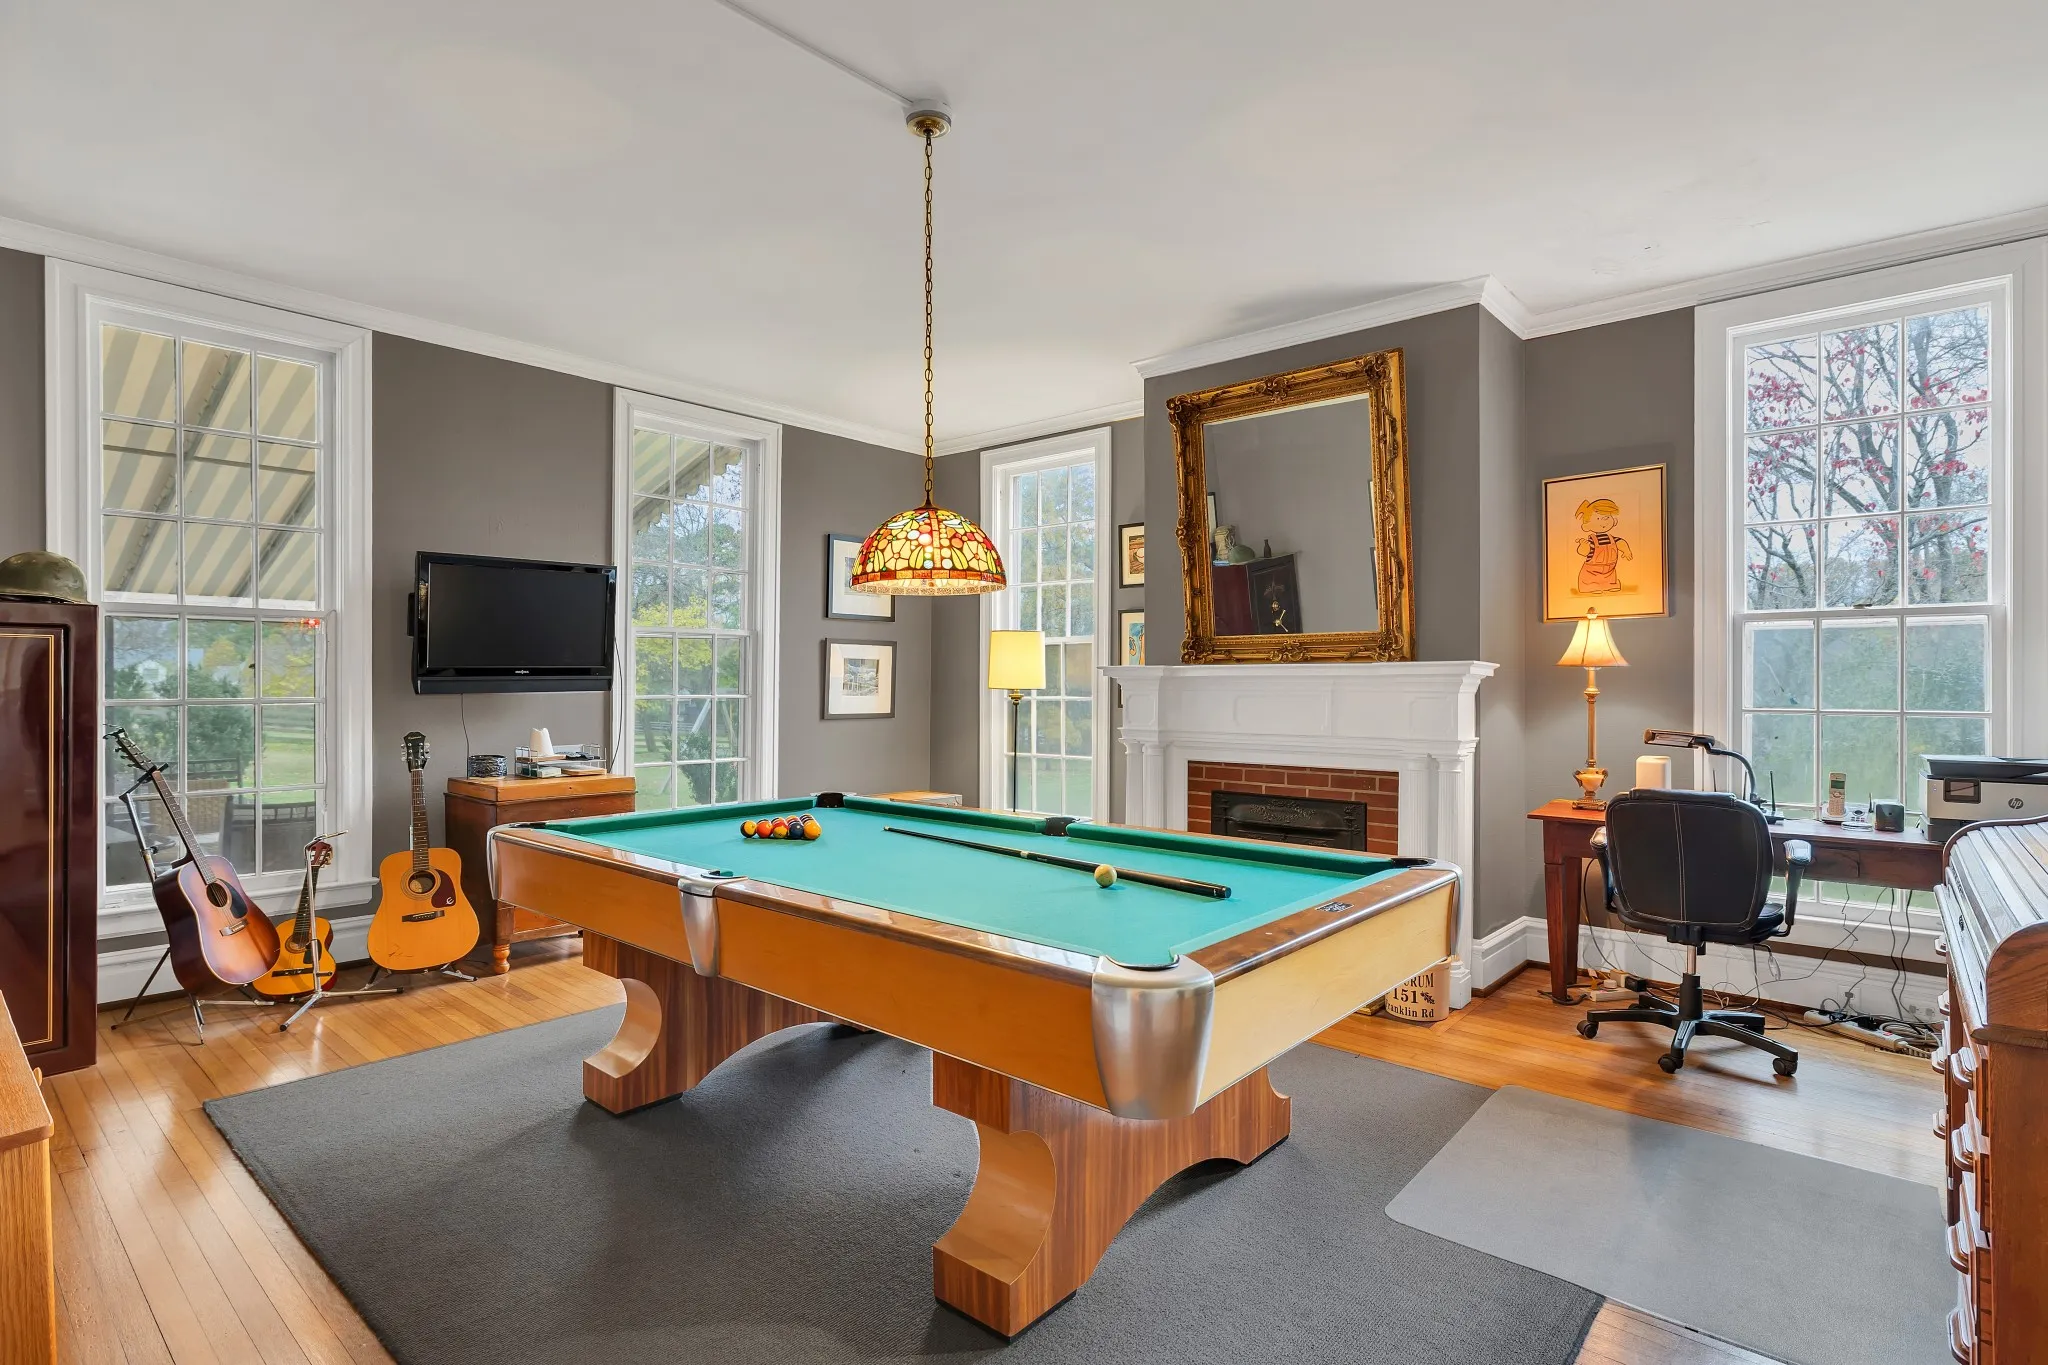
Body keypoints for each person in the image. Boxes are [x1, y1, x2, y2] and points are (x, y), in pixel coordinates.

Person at [1572, 497, 1632, 595]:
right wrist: (1584, 546)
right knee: (1591, 583)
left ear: (1614, 520)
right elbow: (1583, 553)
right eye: (1598, 519)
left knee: (1611, 581)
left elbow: (1620, 542)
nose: (1603, 521)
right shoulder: (1592, 541)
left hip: (1609, 572)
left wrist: (1626, 551)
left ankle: (1610, 585)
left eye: (1607, 517)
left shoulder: (1612, 539)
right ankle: (1591, 586)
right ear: (1587, 525)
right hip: (1592, 573)